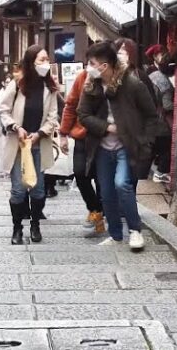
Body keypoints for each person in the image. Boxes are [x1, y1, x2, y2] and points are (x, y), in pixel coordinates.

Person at [77, 42, 165, 252]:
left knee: (122, 184)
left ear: (104, 66)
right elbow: (83, 114)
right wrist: (106, 127)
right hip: (102, 147)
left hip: (127, 145)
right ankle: (115, 234)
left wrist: (144, 141)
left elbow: (151, 115)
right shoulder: (92, 85)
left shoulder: (132, 84)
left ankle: (135, 231)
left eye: (92, 63)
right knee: (106, 192)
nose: (88, 67)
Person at [0, 45, 59, 245]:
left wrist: (40, 134)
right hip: (19, 144)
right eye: (41, 60)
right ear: (31, 62)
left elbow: (52, 117)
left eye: (46, 59)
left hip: (38, 144)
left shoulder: (50, 88)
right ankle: (17, 228)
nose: (45, 63)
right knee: (18, 189)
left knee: (39, 190)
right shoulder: (18, 84)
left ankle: (35, 224)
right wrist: (16, 127)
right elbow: (2, 109)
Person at [61, 66, 105, 236]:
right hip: (82, 135)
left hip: (103, 137)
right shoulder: (82, 77)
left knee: (102, 179)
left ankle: (99, 215)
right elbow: (71, 105)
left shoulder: (112, 80)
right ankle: (95, 209)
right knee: (80, 174)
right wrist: (63, 133)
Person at [145, 44, 176, 183]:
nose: (164, 56)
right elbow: (167, 104)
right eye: (161, 54)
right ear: (154, 57)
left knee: (153, 148)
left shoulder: (149, 74)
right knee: (165, 147)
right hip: (160, 119)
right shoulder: (160, 78)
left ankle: (143, 172)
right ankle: (160, 172)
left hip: (151, 119)